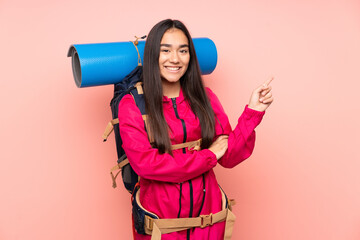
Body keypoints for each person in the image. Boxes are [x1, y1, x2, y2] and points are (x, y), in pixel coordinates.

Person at [118, 19, 273, 240]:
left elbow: (229, 156)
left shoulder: (205, 98)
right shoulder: (132, 104)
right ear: (153, 55)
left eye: (183, 50)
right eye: (166, 50)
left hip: (210, 224)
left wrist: (253, 113)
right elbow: (146, 165)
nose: (175, 59)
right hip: (162, 227)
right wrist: (208, 156)